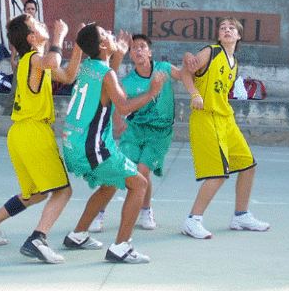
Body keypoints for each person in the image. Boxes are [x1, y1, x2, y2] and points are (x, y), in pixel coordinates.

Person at [0, 14, 82, 264]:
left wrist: (79, 48)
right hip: (33, 132)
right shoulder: (34, 59)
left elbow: (68, 76)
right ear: (32, 38)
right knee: (63, 192)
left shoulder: (33, 62)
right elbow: (52, 58)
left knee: (36, 194)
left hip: (19, 134)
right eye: (39, 25)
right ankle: (38, 238)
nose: (45, 25)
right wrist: (60, 36)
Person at [62, 24, 163, 264]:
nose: (110, 32)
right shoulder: (105, 74)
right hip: (92, 146)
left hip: (74, 141)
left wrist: (118, 54)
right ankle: (121, 247)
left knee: (111, 183)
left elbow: (109, 82)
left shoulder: (91, 66)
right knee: (138, 183)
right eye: (105, 33)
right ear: (101, 45)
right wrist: (152, 91)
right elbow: (124, 106)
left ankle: (77, 235)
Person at [180, 17, 270, 239]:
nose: (227, 30)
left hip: (225, 118)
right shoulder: (211, 52)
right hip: (206, 117)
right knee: (219, 174)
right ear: (219, 36)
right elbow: (185, 72)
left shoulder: (234, 62)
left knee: (248, 166)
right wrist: (194, 94)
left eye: (232, 28)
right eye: (222, 28)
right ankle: (193, 220)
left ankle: (241, 215)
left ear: (239, 36)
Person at [89, 33, 187, 233]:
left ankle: (145, 209)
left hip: (160, 132)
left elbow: (184, 75)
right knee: (120, 169)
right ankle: (98, 212)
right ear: (131, 56)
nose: (138, 50)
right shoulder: (128, 82)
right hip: (134, 130)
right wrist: (117, 121)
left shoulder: (164, 69)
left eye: (143, 47)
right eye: (134, 48)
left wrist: (190, 66)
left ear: (150, 53)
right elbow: (119, 106)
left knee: (142, 172)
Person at [9, 0, 38, 74]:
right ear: (24, 10)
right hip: (23, 60)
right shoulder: (20, 27)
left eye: (33, 9)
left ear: (36, 11)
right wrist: (12, 60)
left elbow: (46, 44)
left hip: (37, 60)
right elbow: (16, 44)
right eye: (28, 9)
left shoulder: (41, 27)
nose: (30, 11)